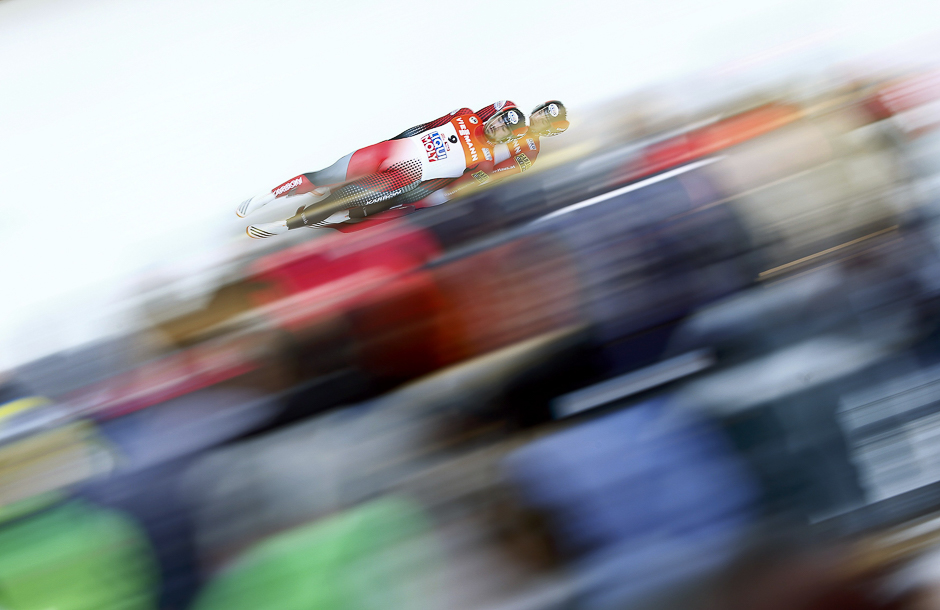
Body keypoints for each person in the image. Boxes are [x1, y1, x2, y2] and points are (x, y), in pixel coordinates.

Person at [238, 101, 526, 238]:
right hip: (388, 152)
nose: (497, 125)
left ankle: (281, 227)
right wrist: (392, 141)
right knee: (326, 175)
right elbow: (425, 127)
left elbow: (447, 188)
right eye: (500, 120)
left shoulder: (484, 162)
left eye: (504, 128)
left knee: (340, 202)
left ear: (508, 136)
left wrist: (413, 198)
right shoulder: (467, 116)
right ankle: (268, 196)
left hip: (400, 179)